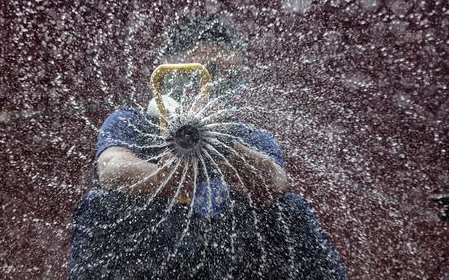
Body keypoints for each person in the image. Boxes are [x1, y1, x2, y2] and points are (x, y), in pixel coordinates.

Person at [68, 16, 348, 279]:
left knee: (291, 210)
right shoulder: (132, 123)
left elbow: (274, 183)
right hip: (148, 252)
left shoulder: (249, 136)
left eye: (231, 76)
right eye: (208, 70)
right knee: (99, 204)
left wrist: (224, 145)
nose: (215, 83)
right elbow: (110, 168)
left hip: (231, 251)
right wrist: (167, 178)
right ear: (170, 69)